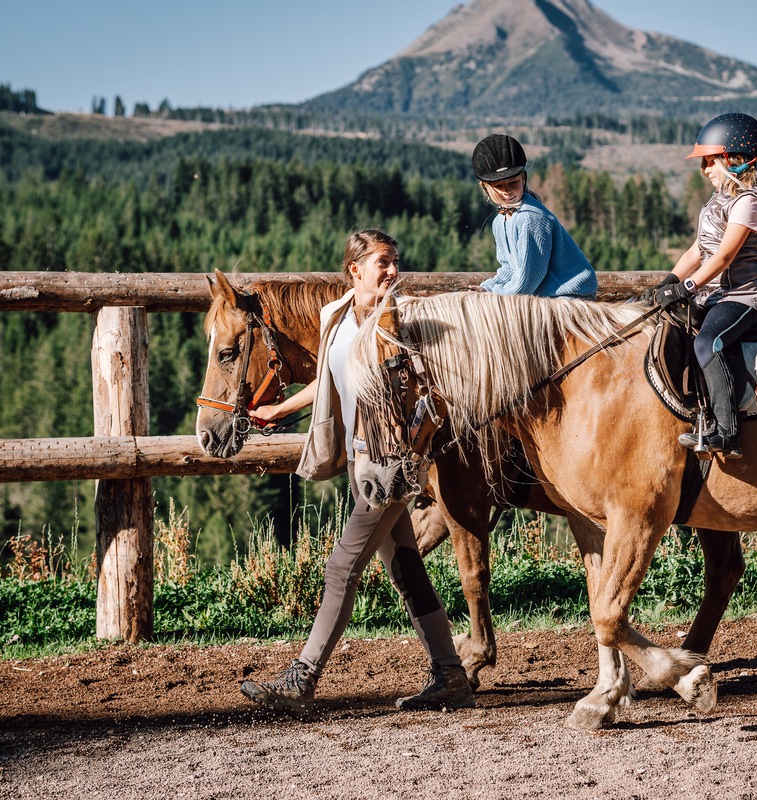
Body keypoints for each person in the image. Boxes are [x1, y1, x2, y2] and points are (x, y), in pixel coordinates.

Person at [240, 230, 475, 713]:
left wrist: (414, 444)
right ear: (355, 270)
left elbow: (434, 390)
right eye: (382, 262)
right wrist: (281, 410)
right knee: (406, 569)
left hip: (389, 465)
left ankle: (302, 680)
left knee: (343, 566)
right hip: (357, 459)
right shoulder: (336, 317)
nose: (392, 271)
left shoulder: (403, 320)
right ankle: (451, 674)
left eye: (394, 261)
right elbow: (331, 376)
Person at [648, 113, 757, 459]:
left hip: (743, 298)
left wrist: (689, 286)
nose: (704, 168)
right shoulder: (718, 201)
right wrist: (669, 282)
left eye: (710, 161)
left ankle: (727, 432)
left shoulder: (750, 203)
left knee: (710, 341)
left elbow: (724, 257)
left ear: (734, 159)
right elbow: (698, 249)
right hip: (714, 295)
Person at [471, 133, 598, 299]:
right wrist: (487, 288)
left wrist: (495, 296)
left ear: (523, 178)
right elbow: (509, 268)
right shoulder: (499, 221)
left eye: (513, 183)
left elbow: (526, 281)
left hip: (569, 297)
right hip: (543, 298)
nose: (507, 191)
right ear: (485, 187)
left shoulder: (531, 219)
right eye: (498, 186)